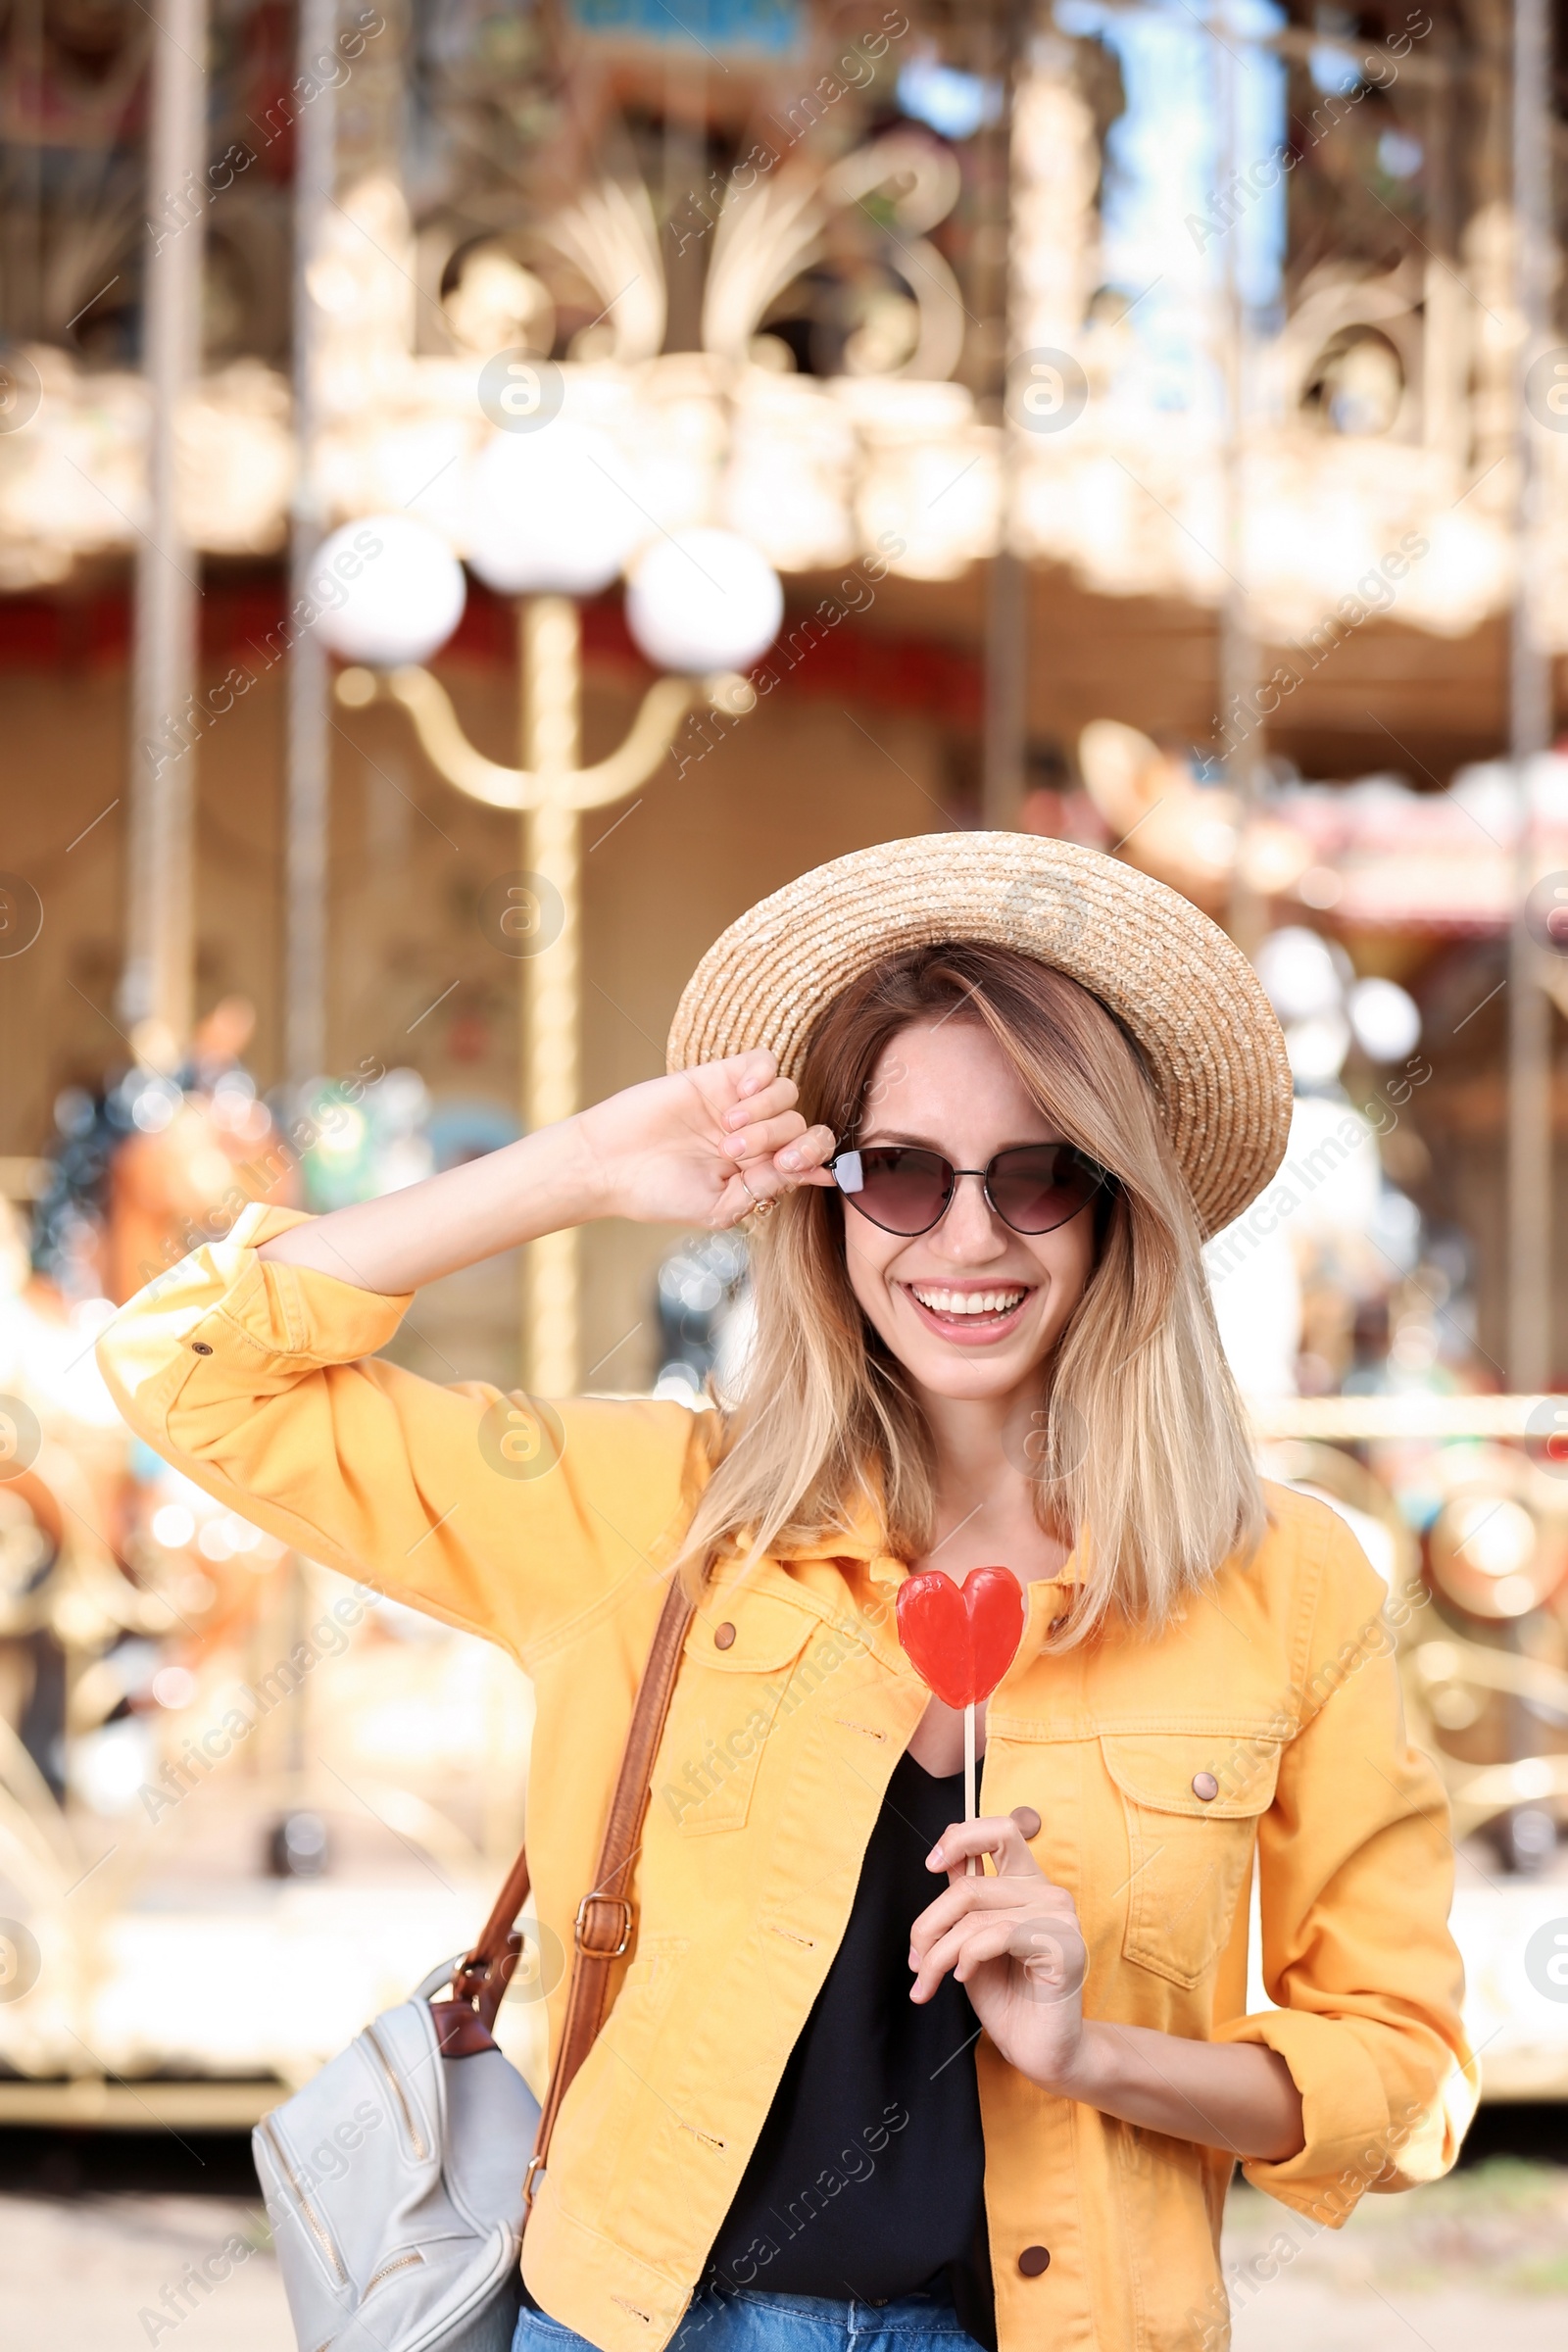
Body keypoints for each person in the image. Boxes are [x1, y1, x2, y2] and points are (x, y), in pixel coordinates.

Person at [99, 835, 1473, 2352]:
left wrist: (1096, 2055)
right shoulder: (653, 1516)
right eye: (898, 1172)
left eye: (1038, 1176)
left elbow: (1402, 2076)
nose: (966, 1237)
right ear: (827, 1199)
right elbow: (189, 1368)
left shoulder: (1287, 1584)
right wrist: (586, 1168)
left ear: (1117, 1208)